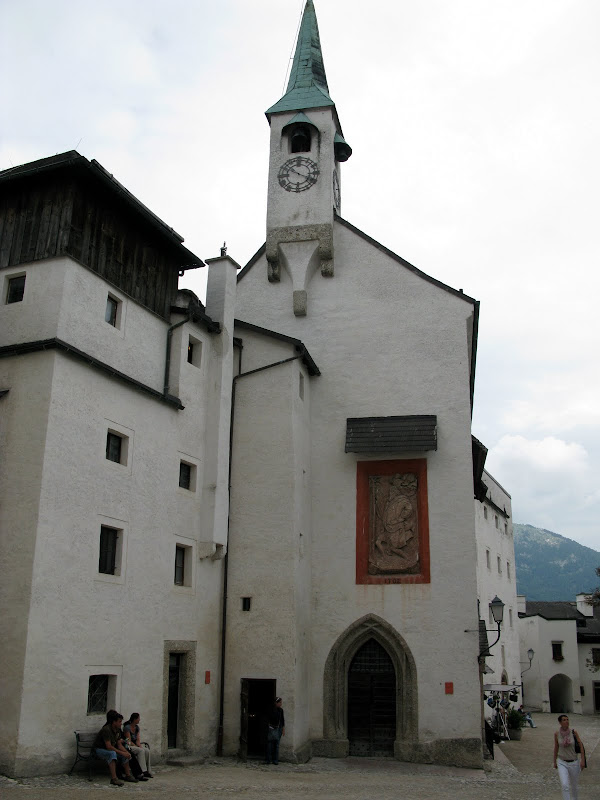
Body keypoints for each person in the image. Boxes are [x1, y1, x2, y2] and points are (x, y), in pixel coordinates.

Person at [93, 710, 138, 786]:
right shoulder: (106, 729)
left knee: (125, 754)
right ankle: (114, 779)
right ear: (114, 722)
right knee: (112, 753)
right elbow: (109, 747)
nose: (121, 724)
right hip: (99, 750)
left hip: (109, 749)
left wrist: (126, 752)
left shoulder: (117, 730)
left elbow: (119, 744)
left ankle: (128, 775)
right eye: (119, 722)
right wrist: (122, 752)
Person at [553, 714, 585, 800]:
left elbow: (580, 745)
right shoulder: (557, 734)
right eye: (564, 720)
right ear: (560, 722)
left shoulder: (573, 732)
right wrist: (554, 761)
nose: (566, 721)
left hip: (574, 762)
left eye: (567, 719)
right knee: (564, 784)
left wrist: (582, 760)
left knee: (574, 785)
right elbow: (556, 747)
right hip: (562, 761)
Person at [123, 713, 153, 778]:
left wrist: (139, 746)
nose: (139, 720)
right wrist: (136, 746)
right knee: (140, 751)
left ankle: (148, 770)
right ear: (134, 719)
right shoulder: (127, 728)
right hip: (128, 745)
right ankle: (143, 771)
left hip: (135, 745)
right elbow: (128, 741)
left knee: (146, 750)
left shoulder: (137, 728)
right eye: (138, 718)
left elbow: (138, 739)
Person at [265, 697, 285, 765]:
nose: (281, 704)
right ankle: (268, 759)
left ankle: (275, 760)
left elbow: (282, 720)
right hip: (271, 728)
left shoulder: (281, 710)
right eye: (279, 702)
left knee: (276, 745)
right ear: (276, 703)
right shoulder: (271, 710)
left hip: (278, 729)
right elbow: (268, 719)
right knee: (269, 745)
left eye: (281, 702)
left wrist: (283, 729)